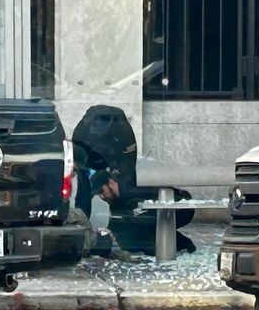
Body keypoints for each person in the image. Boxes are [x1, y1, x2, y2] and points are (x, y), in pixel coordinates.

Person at [70, 105, 195, 256]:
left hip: (174, 204)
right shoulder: (82, 132)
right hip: (92, 161)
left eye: (102, 192)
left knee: (129, 221)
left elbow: (128, 165)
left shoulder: (121, 130)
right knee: (120, 220)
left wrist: (120, 180)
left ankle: (172, 242)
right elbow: (84, 194)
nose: (102, 197)